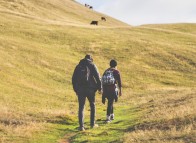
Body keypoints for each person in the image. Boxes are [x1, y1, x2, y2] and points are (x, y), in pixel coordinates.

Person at [72, 55, 102, 131]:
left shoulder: (78, 66)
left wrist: (76, 89)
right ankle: (92, 124)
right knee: (92, 105)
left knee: (81, 107)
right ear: (91, 59)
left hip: (80, 90)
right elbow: (98, 77)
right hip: (91, 89)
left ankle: (81, 126)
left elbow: (73, 78)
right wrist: (100, 88)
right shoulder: (92, 65)